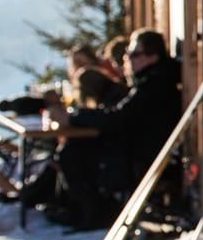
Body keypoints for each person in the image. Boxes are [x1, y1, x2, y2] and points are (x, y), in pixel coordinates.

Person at [38, 29, 184, 229]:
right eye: (127, 54)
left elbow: (119, 118)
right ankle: (78, 210)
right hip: (135, 147)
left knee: (73, 153)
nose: (128, 59)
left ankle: (93, 213)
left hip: (141, 153)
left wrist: (74, 118)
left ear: (152, 56)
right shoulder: (150, 80)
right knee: (73, 148)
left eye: (134, 54)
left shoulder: (155, 84)